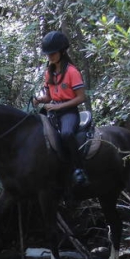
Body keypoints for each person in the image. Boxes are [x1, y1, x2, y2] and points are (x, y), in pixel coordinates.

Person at [32, 30, 88, 186]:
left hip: (68, 112)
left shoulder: (72, 72)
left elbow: (81, 97)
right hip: (52, 110)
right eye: (48, 54)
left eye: (53, 53)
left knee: (67, 133)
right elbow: (50, 97)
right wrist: (40, 100)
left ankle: (79, 169)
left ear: (62, 52)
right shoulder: (48, 72)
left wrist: (58, 107)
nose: (50, 56)